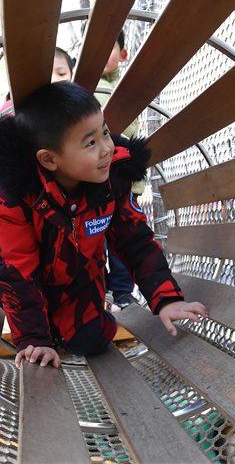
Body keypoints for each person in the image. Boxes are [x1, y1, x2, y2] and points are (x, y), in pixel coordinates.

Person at [0, 81, 208, 368]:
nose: (106, 148)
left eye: (104, 132)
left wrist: (165, 298)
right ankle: (45, 334)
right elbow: (16, 272)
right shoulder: (15, 196)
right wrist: (33, 340)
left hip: (80, 283)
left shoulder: (112, 178)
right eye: (91, 143)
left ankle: (68, 331)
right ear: (49, 159)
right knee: (40, 352)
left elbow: (135, 241)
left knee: (93, 340)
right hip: (33, 287)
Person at [94, 30, 143, 310]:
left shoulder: (125, 85)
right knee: (96, 240)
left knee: (122, 239)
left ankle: (123, 291)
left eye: (108, 49)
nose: (101, 56)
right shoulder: (83, 87)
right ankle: (100, 291)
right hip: (95, 181)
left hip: (122, 178)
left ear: (123, 55)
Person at [0, 47, 76, 116]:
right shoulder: (11, 108)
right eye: (43, 75)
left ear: (71, 75)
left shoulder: (77, 104)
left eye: (61, 74)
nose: (54, 80)